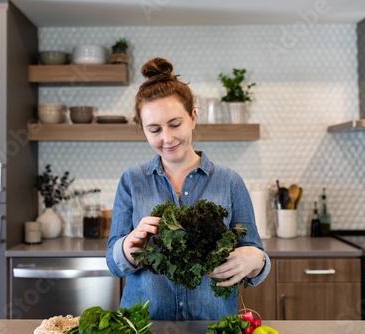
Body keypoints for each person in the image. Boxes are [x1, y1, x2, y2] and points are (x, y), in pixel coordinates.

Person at [106, 57, 271, 320]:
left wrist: (255, 259)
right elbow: (114, 263)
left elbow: (257, 259)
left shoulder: (230, 182)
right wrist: (128, 247)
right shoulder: (132, 180)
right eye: (154, 129)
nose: (167, 138)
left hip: (213, 325)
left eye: (175, 124)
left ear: (192, 117)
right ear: (142, 130)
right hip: (146, 326)